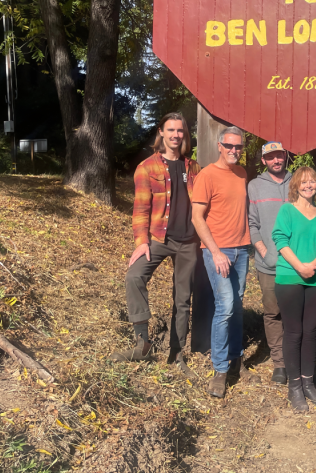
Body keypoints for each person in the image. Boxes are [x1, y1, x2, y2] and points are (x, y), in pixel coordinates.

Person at [111, 113, 201, 378]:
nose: (175, 135)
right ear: (161, 132)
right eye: (170, 130)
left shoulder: (194, 168)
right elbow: (140, 210)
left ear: (184, 134)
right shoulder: (147, 167)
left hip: (188, 242)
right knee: (134, 276)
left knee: (183, 299)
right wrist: (141, 242)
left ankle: (177, 353)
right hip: (159, 239)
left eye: (180, 130)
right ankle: (143, 344)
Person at [192, 126, 260, 399]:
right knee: (226, 306)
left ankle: (236, 359)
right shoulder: (206, 175)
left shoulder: (242, 173)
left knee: (238, 305)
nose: (234, 151)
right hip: (217, 251)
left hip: (241, 251)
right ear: (219, 146)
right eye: (229, 146)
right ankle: (220, 369)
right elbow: (198, 218)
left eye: (239, 147)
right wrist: (216, 252)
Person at [271, 167, 316, 411]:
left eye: (312, 182)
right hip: (290, 277)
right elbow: (280, 240)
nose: (308, 185)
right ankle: (295, 387)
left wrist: (314, 266)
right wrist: (300, 267)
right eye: (303, 182)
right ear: (295, 186)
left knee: (310, 331)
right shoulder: (287, 210)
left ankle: (309, 383)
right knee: (293, 332)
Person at [248, 141, 292, 385]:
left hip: (297, 263)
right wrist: (265, 253)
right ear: (264, 160)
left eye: (280, 156)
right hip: (269, 265)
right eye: (271, 157)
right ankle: (279, 363)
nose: (276, 160)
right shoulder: (254, 187)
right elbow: (252, 225)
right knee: (273, 312)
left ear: (286, 156)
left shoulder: (298, 181)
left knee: (295, 313)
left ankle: (296, 358)